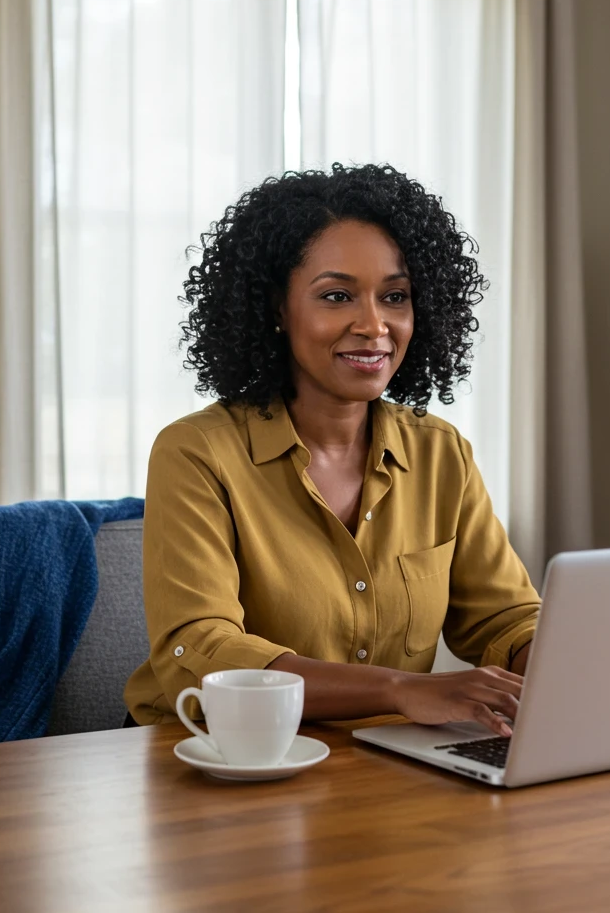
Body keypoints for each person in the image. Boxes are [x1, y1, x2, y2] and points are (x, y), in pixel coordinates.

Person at [124, 163, 540, 735]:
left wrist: (556, 664)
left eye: (395, 297)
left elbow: (506, 618)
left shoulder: (442, 455)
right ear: (276, 310)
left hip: (373, 762)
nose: (374, 326)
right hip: (209, 758)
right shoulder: (197, 453)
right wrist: (401, 689)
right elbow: (201, 649)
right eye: (338, 296)